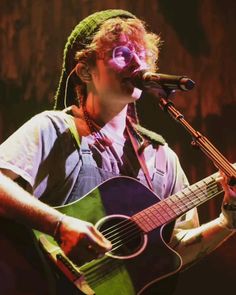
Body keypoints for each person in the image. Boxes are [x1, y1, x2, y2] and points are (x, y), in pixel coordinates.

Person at [0, 8, 235, 295]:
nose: (138, 63)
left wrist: (227, 221)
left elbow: (174, 249)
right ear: (86, 70)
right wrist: (58, 225)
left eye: (142, 54)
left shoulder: (161, 158)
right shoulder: (54, 129)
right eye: (123, 53)